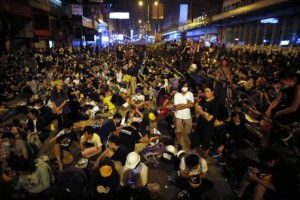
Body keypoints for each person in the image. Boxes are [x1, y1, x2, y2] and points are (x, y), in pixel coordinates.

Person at [193, 84, 228, 159]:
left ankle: (204, 157)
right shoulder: (204, 99)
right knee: (195, 139)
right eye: (205, 91)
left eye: (208, 91)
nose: (206, 93)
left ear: (212, 92)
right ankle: (195, 155)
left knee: (206, 142)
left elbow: (209, 118)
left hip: (209, 126)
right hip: (200, 123)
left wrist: (201, 111)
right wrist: (203, 112)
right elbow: (197, 108)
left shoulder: (216, 103)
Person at [173, 81, 194, 151]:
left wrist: (182, 105)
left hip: (187, 116)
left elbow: (192, 105)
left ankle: (190, 143)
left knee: (189, 131)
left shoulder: (190, 94)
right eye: (184, 86)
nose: (185, 87)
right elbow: (176, 107)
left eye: (186, 86)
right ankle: (179, 144)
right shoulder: (177, 95)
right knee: (178, 131)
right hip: (178, 116)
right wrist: (187, 105)